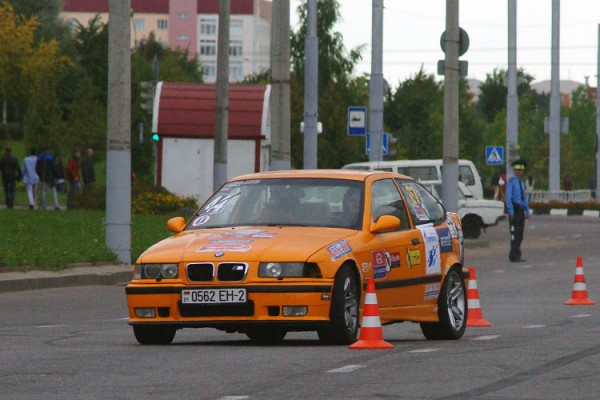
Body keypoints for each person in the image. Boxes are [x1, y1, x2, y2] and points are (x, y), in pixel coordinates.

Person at [506, 159, 530, 262]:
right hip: (514, 210)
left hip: (521, 210)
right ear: (514, 170)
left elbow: (524, 198)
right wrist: (510, 211)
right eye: (517, 170)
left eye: (521, 170)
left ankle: (517, 254)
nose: (519, 172)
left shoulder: (522, 183)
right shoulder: (511, 182)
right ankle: (513, 255)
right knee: (514, 234)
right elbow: (508, 198)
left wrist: (527, 210)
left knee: (520, 234)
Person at [36, 146, 61, 210]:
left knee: (43, 191)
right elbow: (54, 168)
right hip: (51, 177)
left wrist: (39, 175)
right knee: (54, 191)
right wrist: (57, 176)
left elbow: (37, 168)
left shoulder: (39, 158)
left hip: (43, 176)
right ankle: (56, 205)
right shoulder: (50, 157)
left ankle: (44, 206)